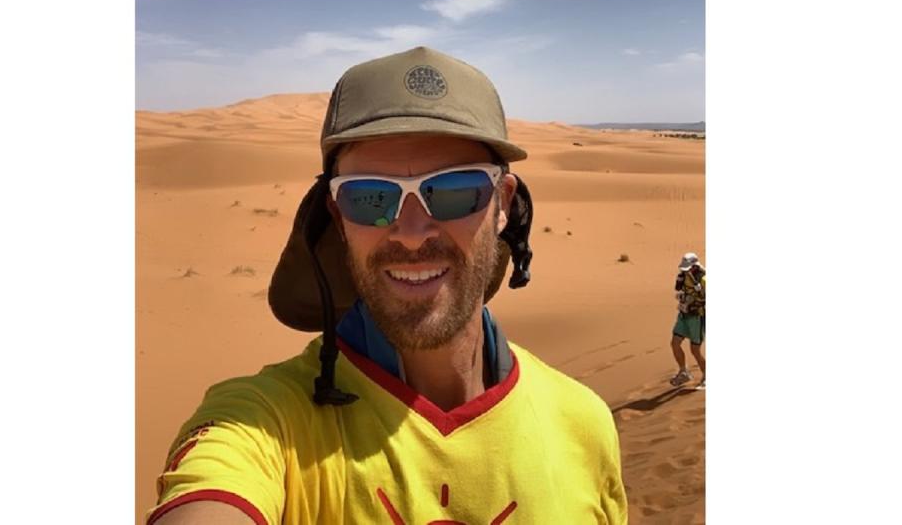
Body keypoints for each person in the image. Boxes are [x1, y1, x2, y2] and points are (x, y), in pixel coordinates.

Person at [147, 47, 627, 524]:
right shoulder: (264, 423)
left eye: (456, 190)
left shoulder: (583, 424)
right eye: (370, 197)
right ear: (337, 217)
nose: (412, 233)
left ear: (502, 203)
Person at [669, 252, 706, 388]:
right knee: (675, 343)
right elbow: (680, 290)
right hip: (684, 315)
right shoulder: (682, 276)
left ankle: (706, 375)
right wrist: (682, 297)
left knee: (695, 350)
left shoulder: (704, 279)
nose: (685, 271)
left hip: (697, 317)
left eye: (688, 268)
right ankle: (683, 372)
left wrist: (696, 299)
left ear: (694, 266)